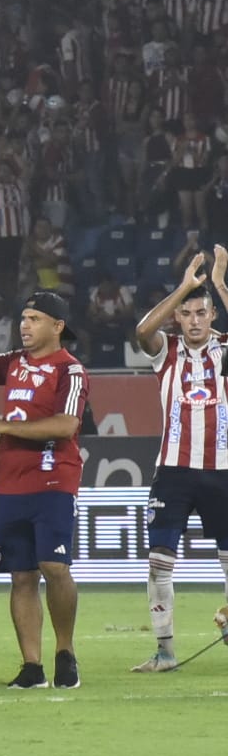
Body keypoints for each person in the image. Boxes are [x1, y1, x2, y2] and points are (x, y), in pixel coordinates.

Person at [0, 292, 89, 690]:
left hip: (53, 479)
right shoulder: (14, 363)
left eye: (34, 318)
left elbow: (66, 425)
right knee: (20, 576)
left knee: (55, 567)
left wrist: (1, 428)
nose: (24, 325)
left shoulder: (69, 370)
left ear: (57, 327)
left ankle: (65, 652)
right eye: (23, 317)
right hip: (7, 482)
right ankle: (32, 665)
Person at [130, 246, 228, 672]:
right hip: (172, 471)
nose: (193, 320)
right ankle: (166, 651)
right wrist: (185, 287)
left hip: (223, 471)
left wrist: (220, 285)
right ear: (179, 318)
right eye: (186, 314)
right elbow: (141, 330)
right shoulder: (165, 350)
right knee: (158, 563)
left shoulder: (224, 348)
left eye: (200, 313)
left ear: (212, 317)